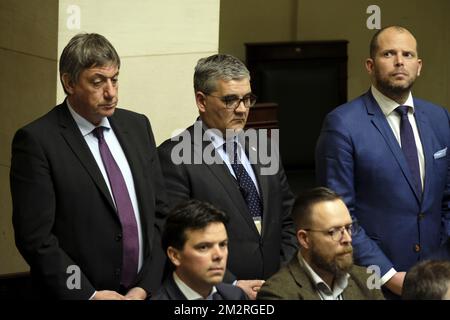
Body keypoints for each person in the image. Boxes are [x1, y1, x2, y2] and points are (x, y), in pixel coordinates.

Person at [10, 33, 167, 300]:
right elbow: (36, 239)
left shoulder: (138, 126)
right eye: (98, 82)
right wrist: (88, 294)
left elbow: (162, 214)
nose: (111, 92)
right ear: (69, 83)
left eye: (115, 79)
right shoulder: (37, 141)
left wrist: (145, 287)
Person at [316, 25, 450, 297]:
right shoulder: (342, 124)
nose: (400, 61)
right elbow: (339, 217)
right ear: (370, 64)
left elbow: (447, 199)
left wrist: (442, 262)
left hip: (439, 280)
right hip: (376, 282)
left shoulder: (440, 118)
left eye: (408, 54)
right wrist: (387, 275)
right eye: (389, 53)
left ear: (419, 65)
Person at [157, 54, 297, 299]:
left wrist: (280, 278)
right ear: (201, 101)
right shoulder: (175, 157)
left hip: (277, 290)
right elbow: (180, 239)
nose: (242, 109)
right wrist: (231, 286)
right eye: (231, 100)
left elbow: (288, 219)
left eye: (247, 99)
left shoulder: (263, 146)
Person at [257, 187, 384, 300]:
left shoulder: (366, 279)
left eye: (348, 228)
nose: (347, 239)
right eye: (333, 232)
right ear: (304, 239)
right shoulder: (277, 293)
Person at [153, 200, 247, 300]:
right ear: (175, 256)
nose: (219, 255)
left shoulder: (236, 296)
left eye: (222, 244)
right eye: (204, 247)